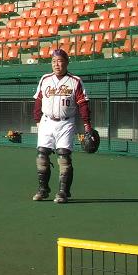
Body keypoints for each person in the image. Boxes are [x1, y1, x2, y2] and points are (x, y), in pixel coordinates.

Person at [32, 49, 92, 204]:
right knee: (41, 156)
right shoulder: (45, 79)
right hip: (47, 121)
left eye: (59, 61)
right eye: (53, 61)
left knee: (64, 157)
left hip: (66, 122)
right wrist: (37, 120)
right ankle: (43, 189)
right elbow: (38, 100)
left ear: (66, 62)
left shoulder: (75, 81)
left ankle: (63, 192)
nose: (56, 64)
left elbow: (83, 104)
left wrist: (87, 125)